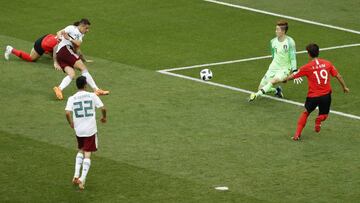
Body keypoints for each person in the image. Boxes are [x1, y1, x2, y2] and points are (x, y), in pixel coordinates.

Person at [283, 43, 349, 141]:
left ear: (309, 54)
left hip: (312, 96)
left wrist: (285, 79)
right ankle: (319, 120)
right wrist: (345, 87)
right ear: (318, 52)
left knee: (306, 112)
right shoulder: (327, 63)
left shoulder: (307, 67)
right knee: (324, 115)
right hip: (326, 96)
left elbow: (294, 76)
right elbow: (338, 76)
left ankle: (297, 135)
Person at [65, 76, 107, 190]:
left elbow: (67, 113)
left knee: (81, 149)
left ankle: (75, 175)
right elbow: (103, 108)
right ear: (85, 85)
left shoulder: (72, 98)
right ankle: (82, 179)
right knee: (88, 153)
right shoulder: (92, 95)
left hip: (78, 130)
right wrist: (104, 117)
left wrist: (71, 123)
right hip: (90, 130)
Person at [53, 18, 109, 100]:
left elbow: (78, 44)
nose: (87, 30)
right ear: (81, 26)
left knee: (71, 74)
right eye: (86, 28)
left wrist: (69, 38)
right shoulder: (71, 28)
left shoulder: (81, 35)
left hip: (61, 54)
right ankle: (96, 90)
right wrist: (60, 37)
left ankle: (59, 88)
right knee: (83, 68)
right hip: (65, 49)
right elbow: (59, 32)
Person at [249, 20, 302, 101]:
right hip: (273, 67)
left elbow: (293, 57)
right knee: (260, 87)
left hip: (284, 68)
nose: (276, 31)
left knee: (274, 80)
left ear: (283, 31)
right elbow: (273, 56)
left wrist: (294, 70)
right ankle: (277, 90)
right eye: (276, 29)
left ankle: (256, 95)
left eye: (278, 29)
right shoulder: (272, 42)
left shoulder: (290, 42)